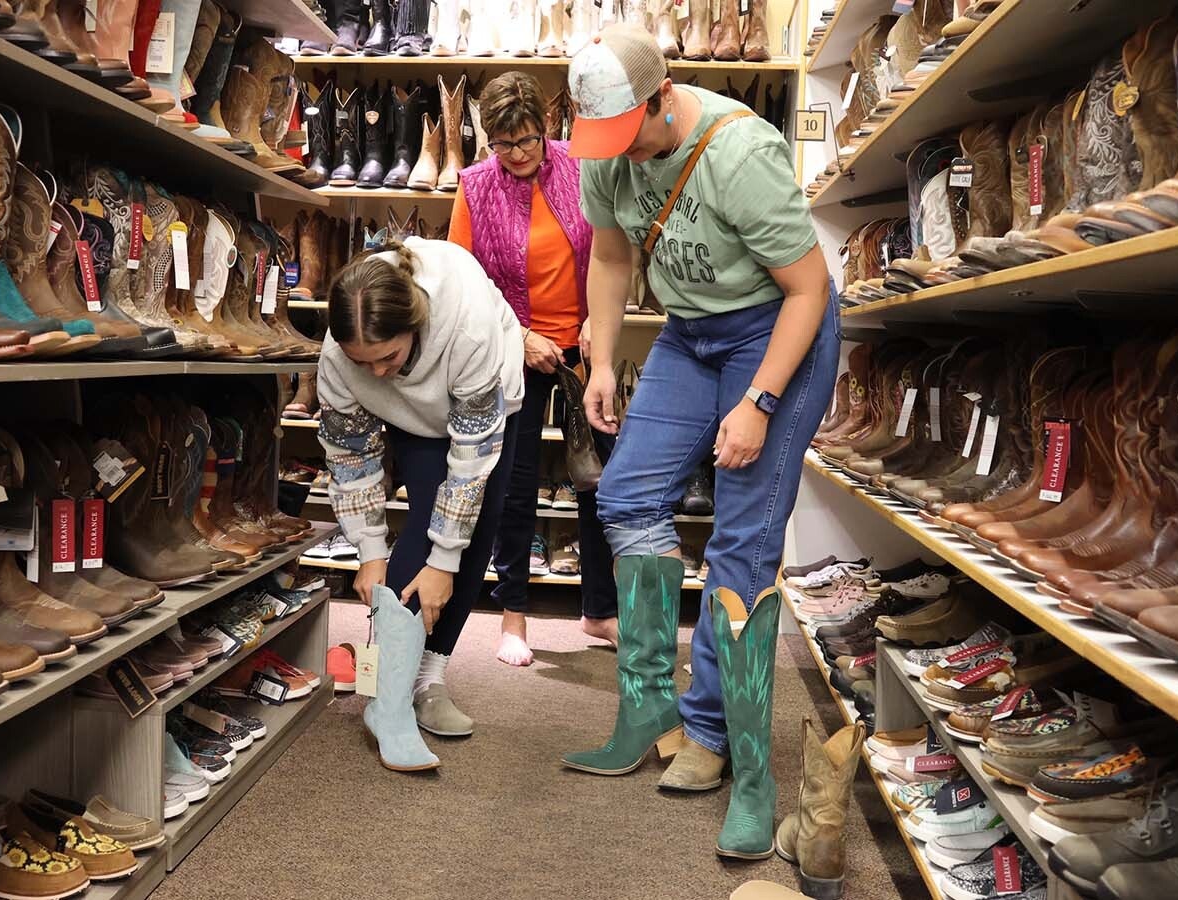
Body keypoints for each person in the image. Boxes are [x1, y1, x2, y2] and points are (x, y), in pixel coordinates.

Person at [559, 24, 840, 862]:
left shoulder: (739, 153)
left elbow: (808, 288)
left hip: (777, 330)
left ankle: (740, 762)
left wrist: (758, 402)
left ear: (661, 97)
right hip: (690, 333)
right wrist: (602, 358)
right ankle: (651, 705)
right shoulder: (605, 152)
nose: (615, 152)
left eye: (628, 131)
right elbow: (611, 256)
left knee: (741, 547)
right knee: (626, 496)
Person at [316, 236, 524, 771]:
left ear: (414, 324)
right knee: (422, 527)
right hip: (412, 411)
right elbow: (351, 455)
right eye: (365, 364)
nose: (378, 371)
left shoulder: (466, 324)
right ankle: (386, 700)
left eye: (387, 356)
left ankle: (427, 678)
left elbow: (472, 459)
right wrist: (367, 549)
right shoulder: (342, 358)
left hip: (486, 393)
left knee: (473, 528)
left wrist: (445, 560)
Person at [447, 72, 617, 668]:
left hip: (585, 348)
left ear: (548, 129)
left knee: (600, 482)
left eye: (527, 140)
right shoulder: (474, 186)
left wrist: (602, 319)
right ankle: (513, 614)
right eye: (503, 143)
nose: (517, 154)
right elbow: (464, 285)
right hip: (513, 349)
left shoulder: (579, 166)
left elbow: (610, 249)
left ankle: (599, 610)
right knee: (514, 488)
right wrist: (518, 336)